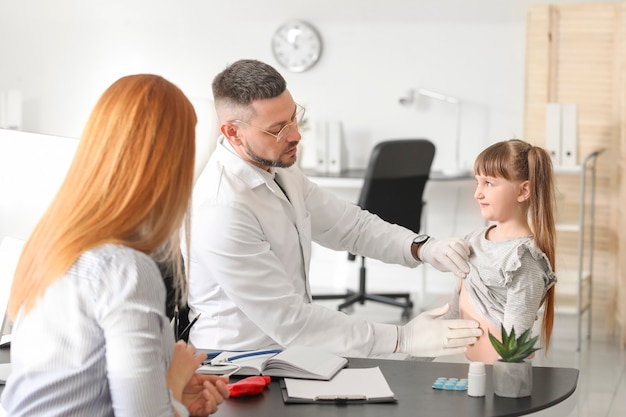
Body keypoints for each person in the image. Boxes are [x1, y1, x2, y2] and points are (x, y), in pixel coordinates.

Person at [185, 58, 482, 358]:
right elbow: (291, 321)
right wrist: (402, 338)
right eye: (277, 129)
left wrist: (421, 247)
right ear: (233, 132)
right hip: (235, 364)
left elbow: (349, 226)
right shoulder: (222, 208)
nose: (295, 135)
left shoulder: (280, 169)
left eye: (294, 117)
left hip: (285, 350)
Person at [1, 74, 229, 416]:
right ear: (169, 166)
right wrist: (174, 382)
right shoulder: (124, 268)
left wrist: (173, 397)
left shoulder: (50, 244)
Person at [446, 139, 557, 364]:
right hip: (476, 372)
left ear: (523, 190)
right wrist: (410, 361)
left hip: (504, 381)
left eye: (488, 183)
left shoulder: (522, 260)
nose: (477, 193)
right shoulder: (473, 241)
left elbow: (513, 348)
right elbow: (452, 313)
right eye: (478, 182)